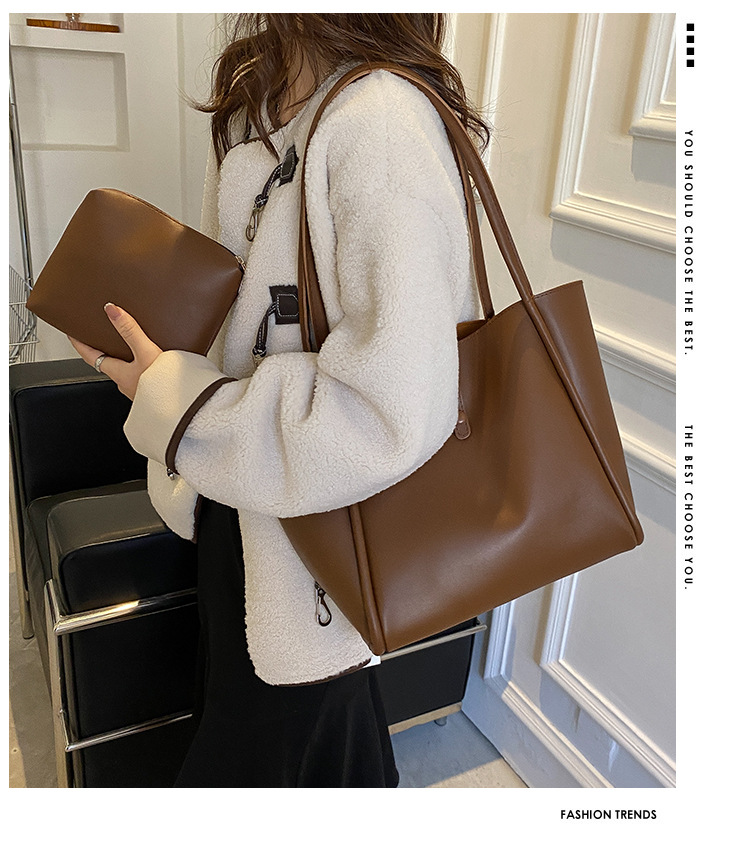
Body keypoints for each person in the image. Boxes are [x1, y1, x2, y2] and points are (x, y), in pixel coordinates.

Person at [69, 13, 491, 787]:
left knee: (271, 752)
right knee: (305, 742)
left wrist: (181, 403)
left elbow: (390, 410)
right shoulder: (258, 91)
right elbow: (248, 316)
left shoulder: (382, 119)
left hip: (316, 535)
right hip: (242, 502)